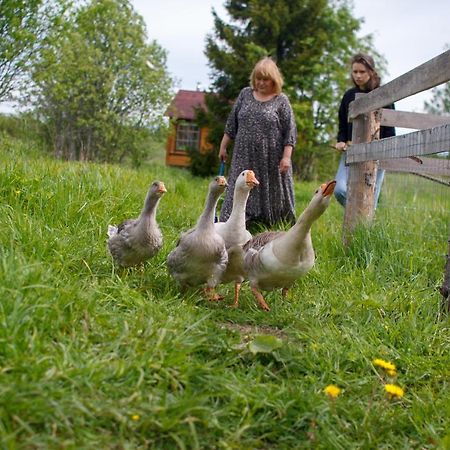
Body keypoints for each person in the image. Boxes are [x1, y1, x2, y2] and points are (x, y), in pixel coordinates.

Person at [218, 57, 297, 228]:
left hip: (270, 158)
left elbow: (289, 132)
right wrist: (223, 146)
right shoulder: (245, 94)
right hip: (243, 155)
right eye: (258, 78)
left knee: (274, 195)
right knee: (237, 189)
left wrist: (286, 157)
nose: (261, 83)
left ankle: (273, 228)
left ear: (274, 80)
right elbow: (232, 123)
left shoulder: (281, 101)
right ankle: (230, 226)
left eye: (265, 79)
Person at [334, 53, 396, 208]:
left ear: (371, 72)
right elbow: (342, 123)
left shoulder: (383, 95)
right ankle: (358, 215)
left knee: (371, 201)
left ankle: (362, 229)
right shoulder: (349, 95)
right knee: (339, 189)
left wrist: (382, 149)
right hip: (351, 151)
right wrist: (341, 140)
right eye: (355, 72)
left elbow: (390, 130)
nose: (358, 76)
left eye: (362, 72)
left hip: (377, 154)